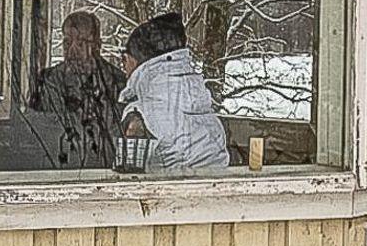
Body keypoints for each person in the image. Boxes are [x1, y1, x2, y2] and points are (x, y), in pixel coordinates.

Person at [117, 11, 229, 172]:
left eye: (124, 59)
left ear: (135, 61)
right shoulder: (200, 102)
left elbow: (128, 176)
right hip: (219, 191)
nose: (124, 68)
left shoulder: (140, 115)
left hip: (167, 194)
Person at [28, 10, 126, 168]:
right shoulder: (48, 80)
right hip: (56, 169)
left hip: (104, 172)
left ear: (97, 45)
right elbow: (33, 131)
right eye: (67, 43)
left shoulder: (117, 83)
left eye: (80, 43)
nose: (72, 50)